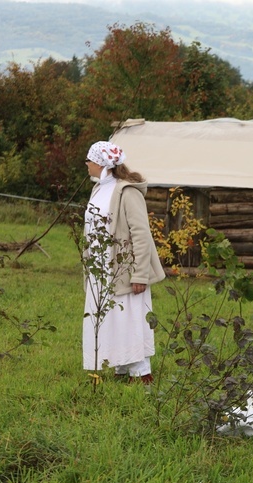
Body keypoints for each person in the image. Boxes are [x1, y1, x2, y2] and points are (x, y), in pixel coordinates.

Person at [82, 141, 165, 384]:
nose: (87, 164)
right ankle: (121, 370)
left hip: (123, 268)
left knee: (128, 319)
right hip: (100, 267)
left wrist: (140, 274)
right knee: (109, 318)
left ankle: (141, 374)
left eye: (89, 160)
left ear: (101, 163)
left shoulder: (127, 192)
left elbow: (141, 234)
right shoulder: (98, 189)